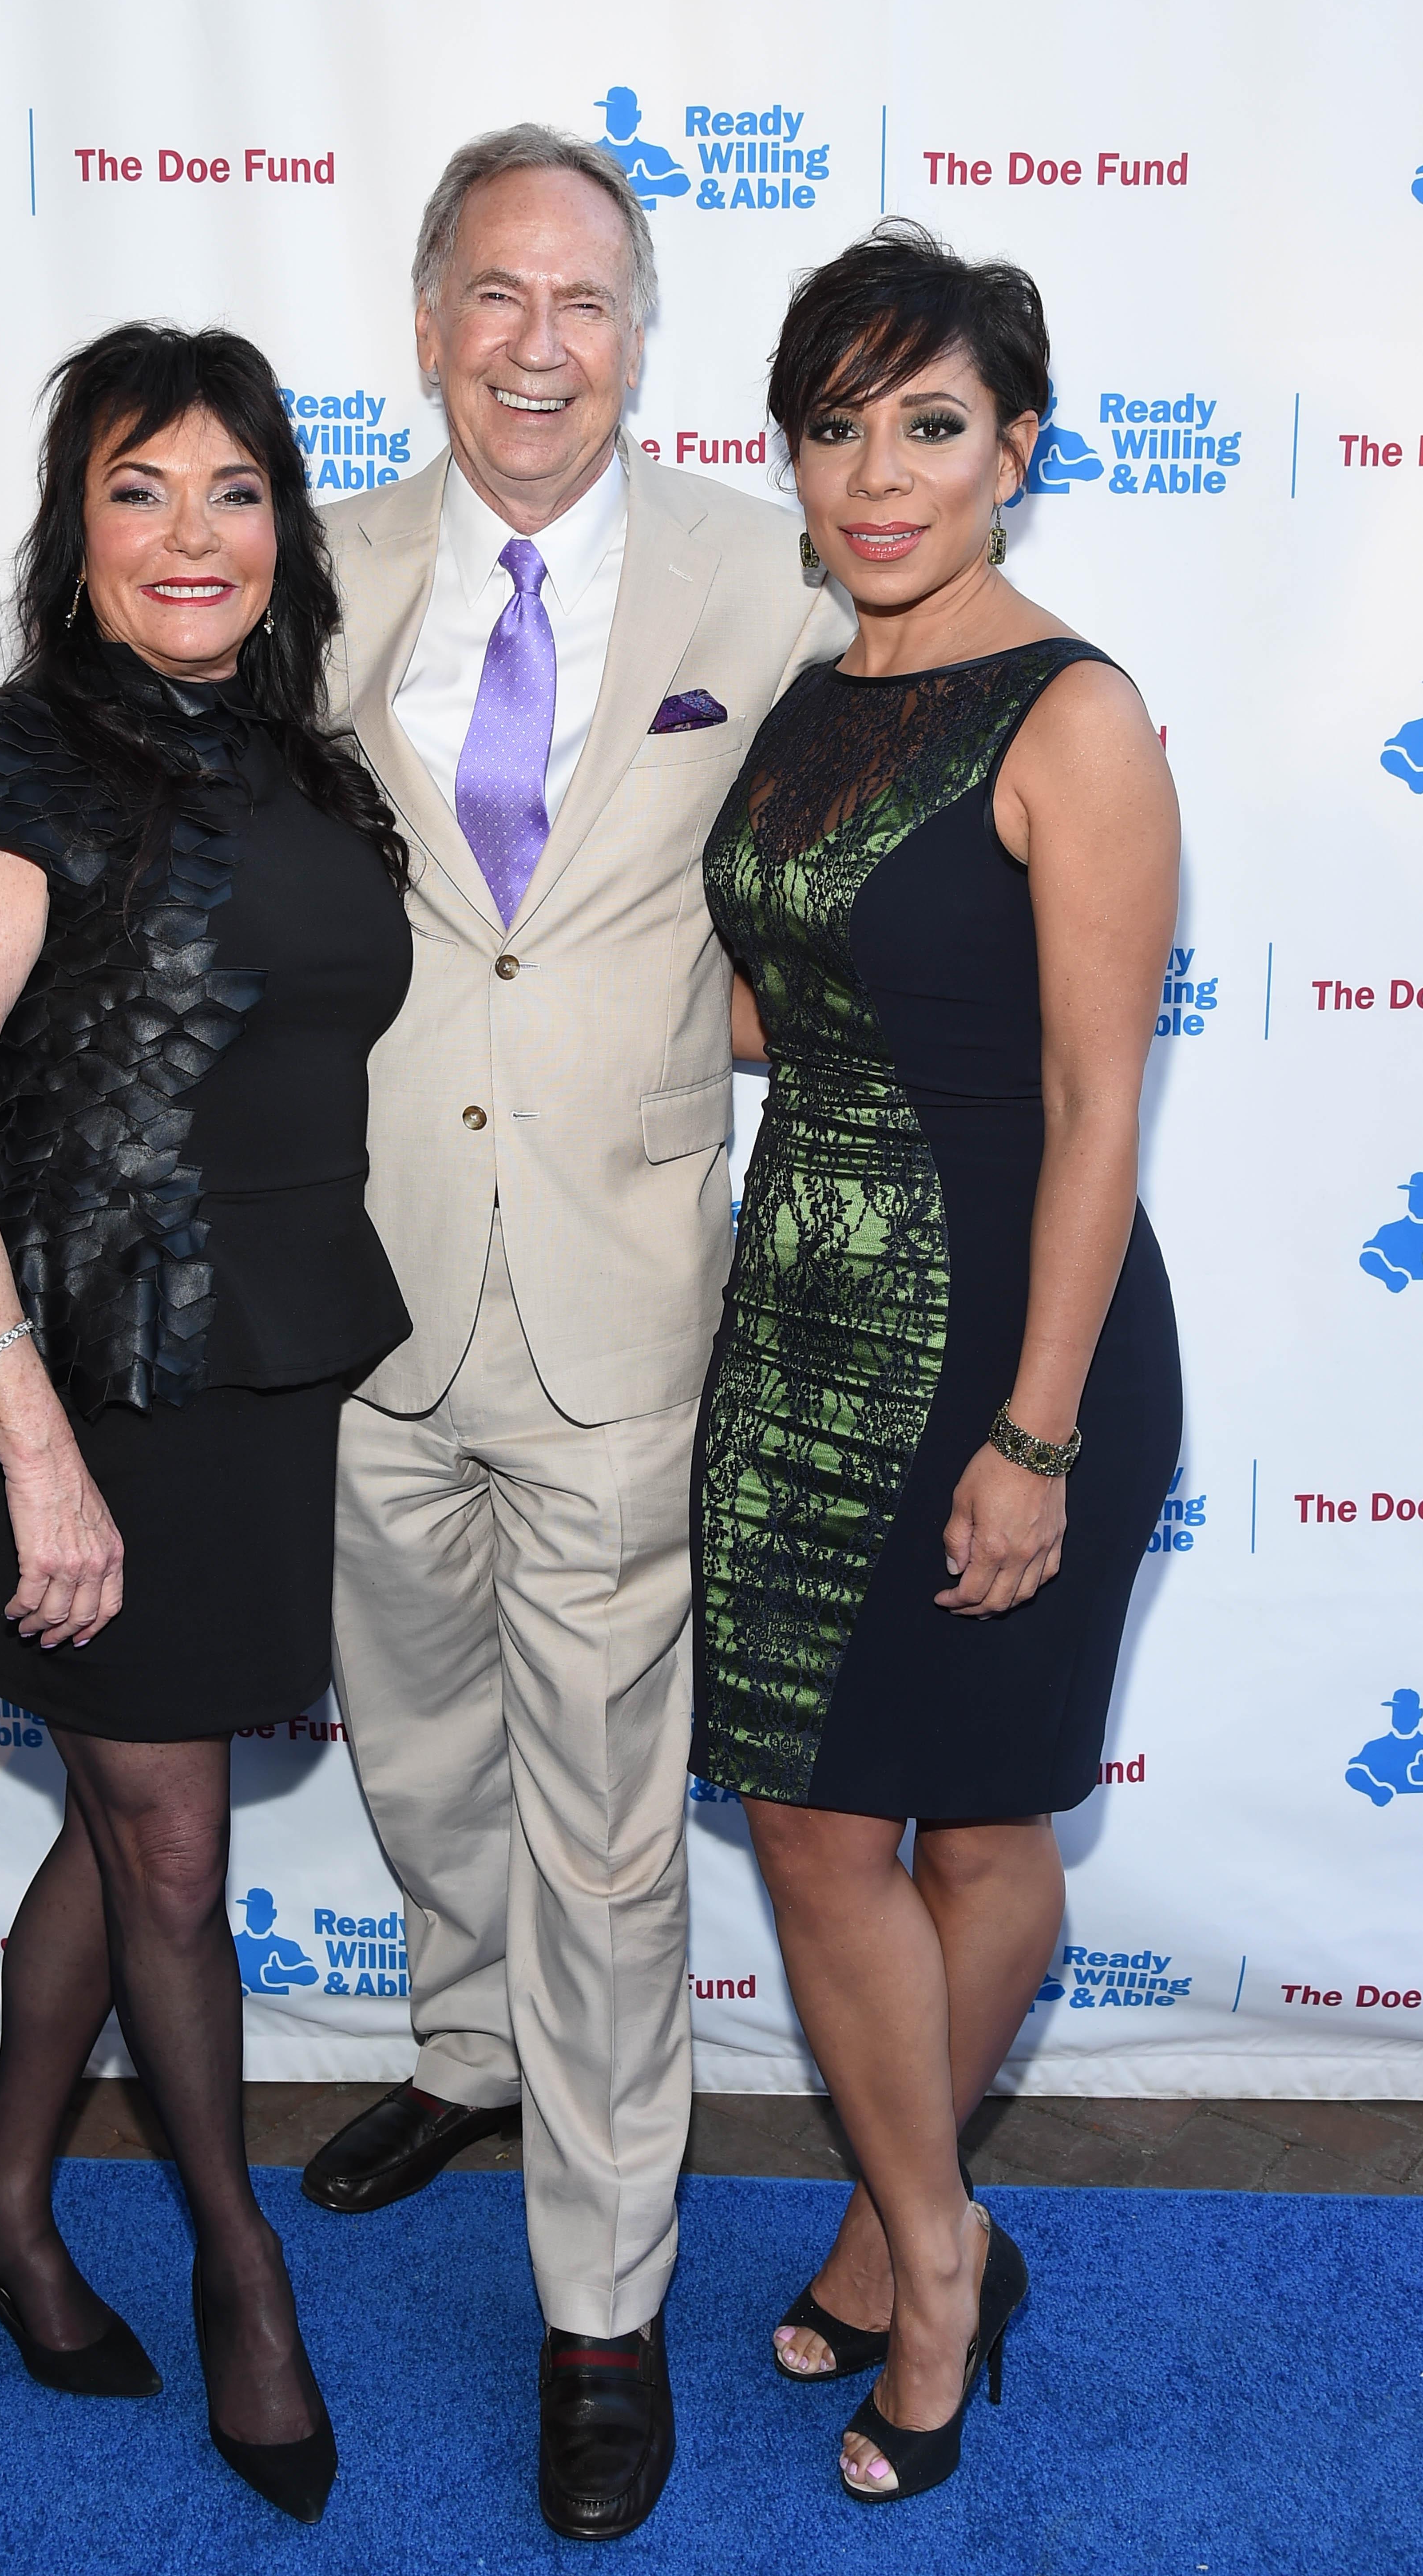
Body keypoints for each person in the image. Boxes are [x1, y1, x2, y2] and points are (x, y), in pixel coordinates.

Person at [299, 124, 849, 2542]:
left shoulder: (768, 573)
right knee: (421, 1759)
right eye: (494, 297)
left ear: (641, 342)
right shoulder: (311, 576)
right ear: (425, 323)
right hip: (363, 1284)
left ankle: (598, 2302)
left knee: (606, 1844)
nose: (539, 343)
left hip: (627, 1303)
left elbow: (906, 792)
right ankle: (461, 2044)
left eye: (586, 303)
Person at [0, 322, 413, 2528]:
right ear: (72, 538)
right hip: (78, 1380)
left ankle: (0, 2194)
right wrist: (38, 1458)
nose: (196, 535)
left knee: (121, 1822)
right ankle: (238, 2270)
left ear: (285, 528)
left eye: (237, 490)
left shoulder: (300, 766)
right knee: (176, 1848)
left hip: (262, 1373)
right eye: (140, 489)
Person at [691, 219, 1181, 2504]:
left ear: (1018, 449)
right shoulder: (810, 694)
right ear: (790, 454)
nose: (878, 477)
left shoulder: (1074, 711)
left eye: (930, 426)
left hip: (1013, 1320)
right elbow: (797, 1005)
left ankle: (922, 2265)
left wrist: (1041, 1432)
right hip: (802, 1311)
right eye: (835, 429)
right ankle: (937, 2224)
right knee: (814, 1816)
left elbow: (1098, 1100)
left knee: (976, 1818)